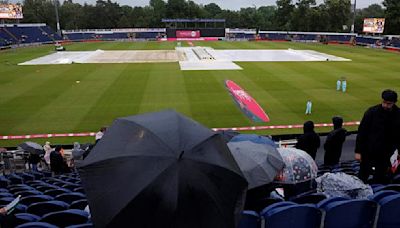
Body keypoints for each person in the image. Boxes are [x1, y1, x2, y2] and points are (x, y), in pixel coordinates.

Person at [355, 89, 400, 184]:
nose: (386, 105)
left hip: (387, 154)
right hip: (369, 152)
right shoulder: (372, 112)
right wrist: (358, 151)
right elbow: (362, 132)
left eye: (389, 103)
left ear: (394, 103)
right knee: (363, 177)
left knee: (381, 178)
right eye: (384, 102)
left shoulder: (398, 114)